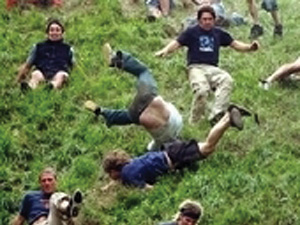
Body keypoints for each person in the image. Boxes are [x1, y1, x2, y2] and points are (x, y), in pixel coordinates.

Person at [101, 104, 251, 190]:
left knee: (208, 147)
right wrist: (108, 187)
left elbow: (148, 189)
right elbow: (119, 179)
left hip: (174, 156)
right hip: (171, 150)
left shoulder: (128, 176)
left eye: (110, 174)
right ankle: (228, 115)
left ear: (115, 170)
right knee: (207, 147)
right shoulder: (131, 164)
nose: (111, 178)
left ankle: (228, 119)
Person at [155, 6, 259, 125]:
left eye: (210, 19)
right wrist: (164, 51)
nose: (207, 22)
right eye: (204, 19)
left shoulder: (218, 33)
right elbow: (177, 43)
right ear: (199, 20)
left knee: (227, 80)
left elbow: (235, 44)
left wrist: (250, 47)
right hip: (196, 68)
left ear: (214, 20)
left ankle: (216, 114)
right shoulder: (191, 32)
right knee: (202, 91)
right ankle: (194, 123)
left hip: (213, 69)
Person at [85, 44, 183, 151]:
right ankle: (102, 111)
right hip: (142, 116)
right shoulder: (161, 143)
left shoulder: (179, 123)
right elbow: (151, 149)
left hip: (150, 98)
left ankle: (116, 59)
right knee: (127, 117)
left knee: (143, 72)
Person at [16, 19, 75, 91]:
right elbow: (28, 65)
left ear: (62, 33)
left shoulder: (68, 49)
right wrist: (18, 80)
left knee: (61, 75)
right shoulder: (38, 47)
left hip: (59, 71)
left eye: (57, 30)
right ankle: (30, 87)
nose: (54, 33)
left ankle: (51, 87)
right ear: (48, 33)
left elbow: (74, 66)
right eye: (52, 30)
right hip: (42, 72)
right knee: (36, 74)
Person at [11, 167, 82, 225]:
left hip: (55, 222)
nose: (47, 183)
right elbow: (20, 219)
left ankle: (68, 208)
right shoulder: (31, 197)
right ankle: (68, 208)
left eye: (50, 180)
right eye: (43, 181)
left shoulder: (60, 197)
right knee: (56, 197)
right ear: (40, 183)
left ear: (56, 182)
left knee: (58, 196)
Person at [181, 0, 246, 31]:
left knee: (214, 16)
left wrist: (207, 3)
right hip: (201, 7)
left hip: (215, 6)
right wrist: (199, 3)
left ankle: (237, 19)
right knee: (190, 22)